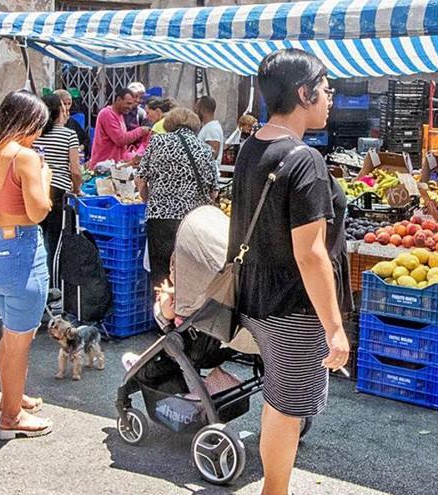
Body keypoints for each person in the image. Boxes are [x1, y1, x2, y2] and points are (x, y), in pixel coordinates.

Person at [229, 48, 350, 495]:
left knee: (279, 397)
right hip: (292, 308)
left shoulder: (250, 147)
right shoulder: (304, 160)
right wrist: (334, 327)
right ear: (304, 93)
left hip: (256, 296)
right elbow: (311, 254)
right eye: (325, 87)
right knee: (286, 405)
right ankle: (274, 490)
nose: (330, 95)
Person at [0, 90, 53, 440]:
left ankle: (11, 400)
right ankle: (11, 416)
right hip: (22, 252)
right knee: (19, 342)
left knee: (10, 336)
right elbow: (39, 210)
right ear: (28, 122)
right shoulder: (25, 157)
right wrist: (46, 174)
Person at [135, 107, 216, 289]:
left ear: (169, 124)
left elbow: (141, 179)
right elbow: (214, 191)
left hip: (161, 220)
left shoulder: (158, 142)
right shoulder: (205, 149)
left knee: (162, 275)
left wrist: (148, 198)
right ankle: (185, 315)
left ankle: (164, 314)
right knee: (189, 273)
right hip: (194, 223)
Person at [33, 94, 82, 278]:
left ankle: (38, 277)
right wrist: (77, 190)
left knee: (36, 237)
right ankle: (53, 283)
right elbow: (76, 171)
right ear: (58, 111)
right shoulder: (68, 134)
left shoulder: (33, 134)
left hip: (35, 190)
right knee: (54, 242)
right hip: (58, 191)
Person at [90, 88, 150, 167]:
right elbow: (120, 140)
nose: (130, 107)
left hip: (114, 165)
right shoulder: (107, 114)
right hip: (103, 166)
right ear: (118, 99)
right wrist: (141, 130)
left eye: (132, 104)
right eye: (128, 103)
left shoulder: (120, 115)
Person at [54, 89, 90, 161]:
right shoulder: (49, 124)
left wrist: (78, 149)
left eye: (69, 104)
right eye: (64, 104)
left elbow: (86, 139)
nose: (67, 107)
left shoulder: (72, 122)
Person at [195, 95, 223, 171]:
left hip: (208, 176)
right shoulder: (208, 127)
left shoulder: (212, 128)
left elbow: (213, 154)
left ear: (202, 109)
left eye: (197, 108)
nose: (195, 111)